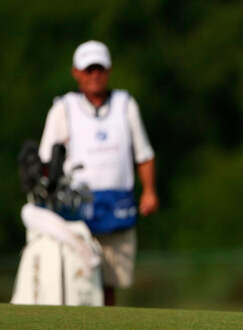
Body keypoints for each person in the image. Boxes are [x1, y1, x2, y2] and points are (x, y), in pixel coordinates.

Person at [38, 40, 158, 306]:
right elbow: (46, 160)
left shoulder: (125, 105)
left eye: (99, 69)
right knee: (77, 277)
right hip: (75, 209)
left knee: (110, 280)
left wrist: (149, 191)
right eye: (88, 69)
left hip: (118, 206)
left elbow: (144, 154)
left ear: (108, 70)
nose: (94, 75)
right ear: (77, 73)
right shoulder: (63, 108)